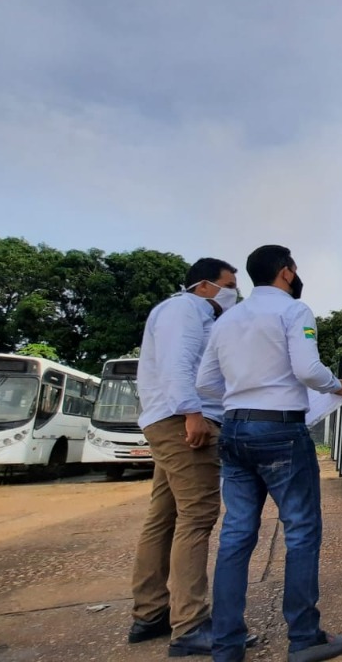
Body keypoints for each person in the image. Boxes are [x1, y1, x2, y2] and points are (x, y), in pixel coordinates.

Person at [197, 245, 342, 662]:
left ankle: (226, 646)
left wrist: (241, 396)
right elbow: (306, 369)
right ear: (286, 273)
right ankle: (304, 639)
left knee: (235, 536)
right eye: (295, 268)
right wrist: (337, 385)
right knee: (300, 531)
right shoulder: (293, 311)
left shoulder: (227, 320)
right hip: (281, 431)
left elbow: (206, 383)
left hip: (234, 428)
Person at [128, 257, 259, 657]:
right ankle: (190, 624)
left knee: (164, 516)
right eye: (228, 284)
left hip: (170, 420)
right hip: (182, 421)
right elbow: (178, 364)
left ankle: (150, 613)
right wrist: (192, 413)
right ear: (203, 285)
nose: (233, 291)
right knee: (198, 516)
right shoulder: (186, 308)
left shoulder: (187, 312)